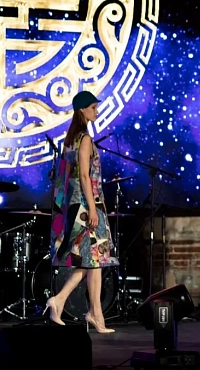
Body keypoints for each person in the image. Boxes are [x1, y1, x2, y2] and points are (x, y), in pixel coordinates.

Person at [45, 91, 119, 332]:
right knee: (92, 259)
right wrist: (93, 209)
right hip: (87, 207)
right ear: (82, 110)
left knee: (93, 260)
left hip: (74, 206)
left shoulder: (69, 141)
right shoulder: (84, 139)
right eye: (93, 107)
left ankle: (93, 313)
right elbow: (85, 177)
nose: (96, 111)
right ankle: (65, 301)